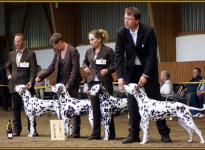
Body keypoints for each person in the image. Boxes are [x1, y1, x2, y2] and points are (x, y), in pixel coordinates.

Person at [115, 7, 171, 144]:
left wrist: (146, 74)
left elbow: (152, 55)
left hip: (148, 70)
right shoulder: (121, 33)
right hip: (131, 72)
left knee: (156, 102)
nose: (126, 21)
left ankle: (164, 133)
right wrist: (120, 77)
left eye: (129, 19)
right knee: (133, 104)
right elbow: (118, 56)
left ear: (137, 20)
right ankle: (133, 134)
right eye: (125, 18)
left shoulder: (148, 31)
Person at [35, 33, 82, 138]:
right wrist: (40, 76)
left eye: (55, 45)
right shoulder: (57, 52)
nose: (55, 47)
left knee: (73, 107)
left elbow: (75, 70)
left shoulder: (73, 51)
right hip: (60, 83)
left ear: (60, 42)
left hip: (72, 83)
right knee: (62, 107)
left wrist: (69, 85)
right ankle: (64, 130)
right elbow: (51, 67)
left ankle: (75, 131)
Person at [82, 29, 116, 140]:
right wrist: (85, 67)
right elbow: (84, 62)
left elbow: (116, 65)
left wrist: (108, 70)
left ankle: (110, 134)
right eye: (89, 40)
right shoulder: (88, 51)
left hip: (105, 82)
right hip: (92, 82)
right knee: (95, 108)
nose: (90, 41)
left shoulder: (108, 50)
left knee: (107, 109)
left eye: (92, 39)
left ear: (99, 39)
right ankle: (96, 134)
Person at [6, 33, 38, 136]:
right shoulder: (11, 54)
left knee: (30, 109)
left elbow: (34, 71)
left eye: (18, 41)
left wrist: (31, 81)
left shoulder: (30, 54)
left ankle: (32, 130)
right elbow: (7, 67)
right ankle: (16, 130)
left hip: (26, 87)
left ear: (23, 41)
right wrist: (9, 74)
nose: (16, 43)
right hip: (14, 86)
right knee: (15, 109)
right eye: (15, 41)